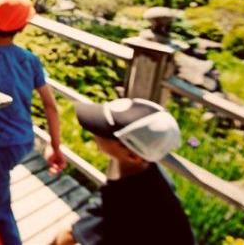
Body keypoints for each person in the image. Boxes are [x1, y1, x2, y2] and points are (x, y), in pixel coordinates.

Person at [0, 0, 67, 245]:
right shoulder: (30, 59)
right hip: (23, 140)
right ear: (22, 26)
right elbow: (50, 106)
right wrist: (55, 148)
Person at [55, 98, 195, 245]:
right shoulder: (154, 177)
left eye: (102, 130)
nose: (94, 132)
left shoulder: (123, 202)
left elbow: (68, 236)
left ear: (133, 155)